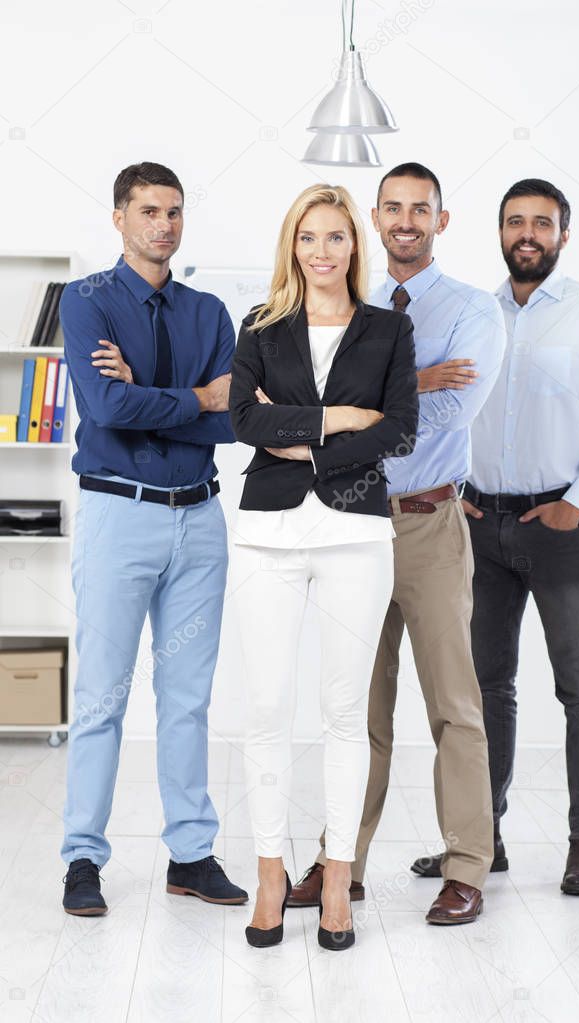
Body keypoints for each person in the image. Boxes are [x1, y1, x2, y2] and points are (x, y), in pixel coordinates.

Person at [410, 177, 579, 896]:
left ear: (563, 235)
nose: (527, 234)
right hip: (479, 524)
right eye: (516, 222)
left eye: (541, 223)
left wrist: (577, 503)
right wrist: (454, 488)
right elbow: (447, 411)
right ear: (500, 231)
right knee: (483, 691)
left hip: (562, 526)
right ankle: (484, 841)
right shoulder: (473, 314)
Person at [288, 162, 506, 925]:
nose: (406, 220)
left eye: (422, 208)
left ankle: (467, 865)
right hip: (351, 519)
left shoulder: (476, 311)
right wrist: (414, 378)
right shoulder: (349, 305)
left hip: (429, 524)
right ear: (375, 221)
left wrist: (372, 393)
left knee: (454, 705)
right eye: (393, 208)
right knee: (354, 706)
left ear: (441, 221)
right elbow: (309, 405)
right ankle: (338, 861)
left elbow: (444, 417)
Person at [228, 183, 418, 950]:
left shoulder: (387, 331)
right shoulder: (261, 324)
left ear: (355, 246)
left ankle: (337, 874)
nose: (322, 252)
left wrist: (297, 434)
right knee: (267, 707)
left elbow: (400, 430)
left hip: (355, 535)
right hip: (269, 531)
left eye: (337, 237)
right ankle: (272, 872)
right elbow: (245, 419)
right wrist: (339, 419)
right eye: (310, 237)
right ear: (292, 244)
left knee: (346, 715)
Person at [60, 161, 247, 916]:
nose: (163, 224)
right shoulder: (87, 302)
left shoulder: (210, 313)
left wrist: (154, 396)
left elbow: (233, 420)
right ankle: (82, 859)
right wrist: (189, 396)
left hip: (200, 519)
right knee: (102, 695)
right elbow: (105, 406)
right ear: (118, 218)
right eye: (147, 210)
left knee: (187, 697)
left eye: (173, 211)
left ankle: (191, 855)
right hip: (119, 514)